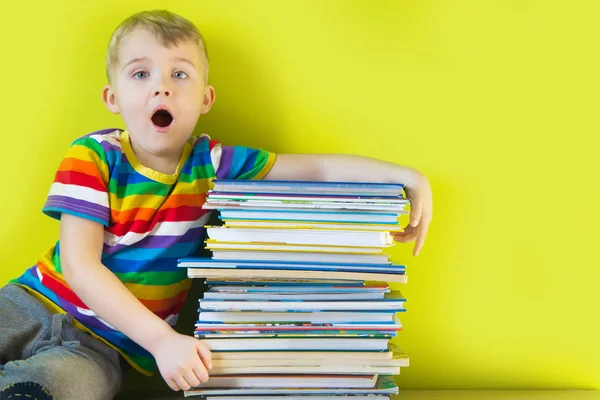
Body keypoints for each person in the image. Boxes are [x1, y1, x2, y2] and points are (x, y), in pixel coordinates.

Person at [0, 9, 432, 400]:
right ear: (112, 98)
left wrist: (408, 177)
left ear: (206, 99)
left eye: (180, 75)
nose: (161, 89)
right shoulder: (94, 155)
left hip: (102, 350)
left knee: (49, 391)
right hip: (29, 305)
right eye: (140, 75)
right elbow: (80, 266)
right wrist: (162, 341)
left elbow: (315, 169)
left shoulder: (211, 163)